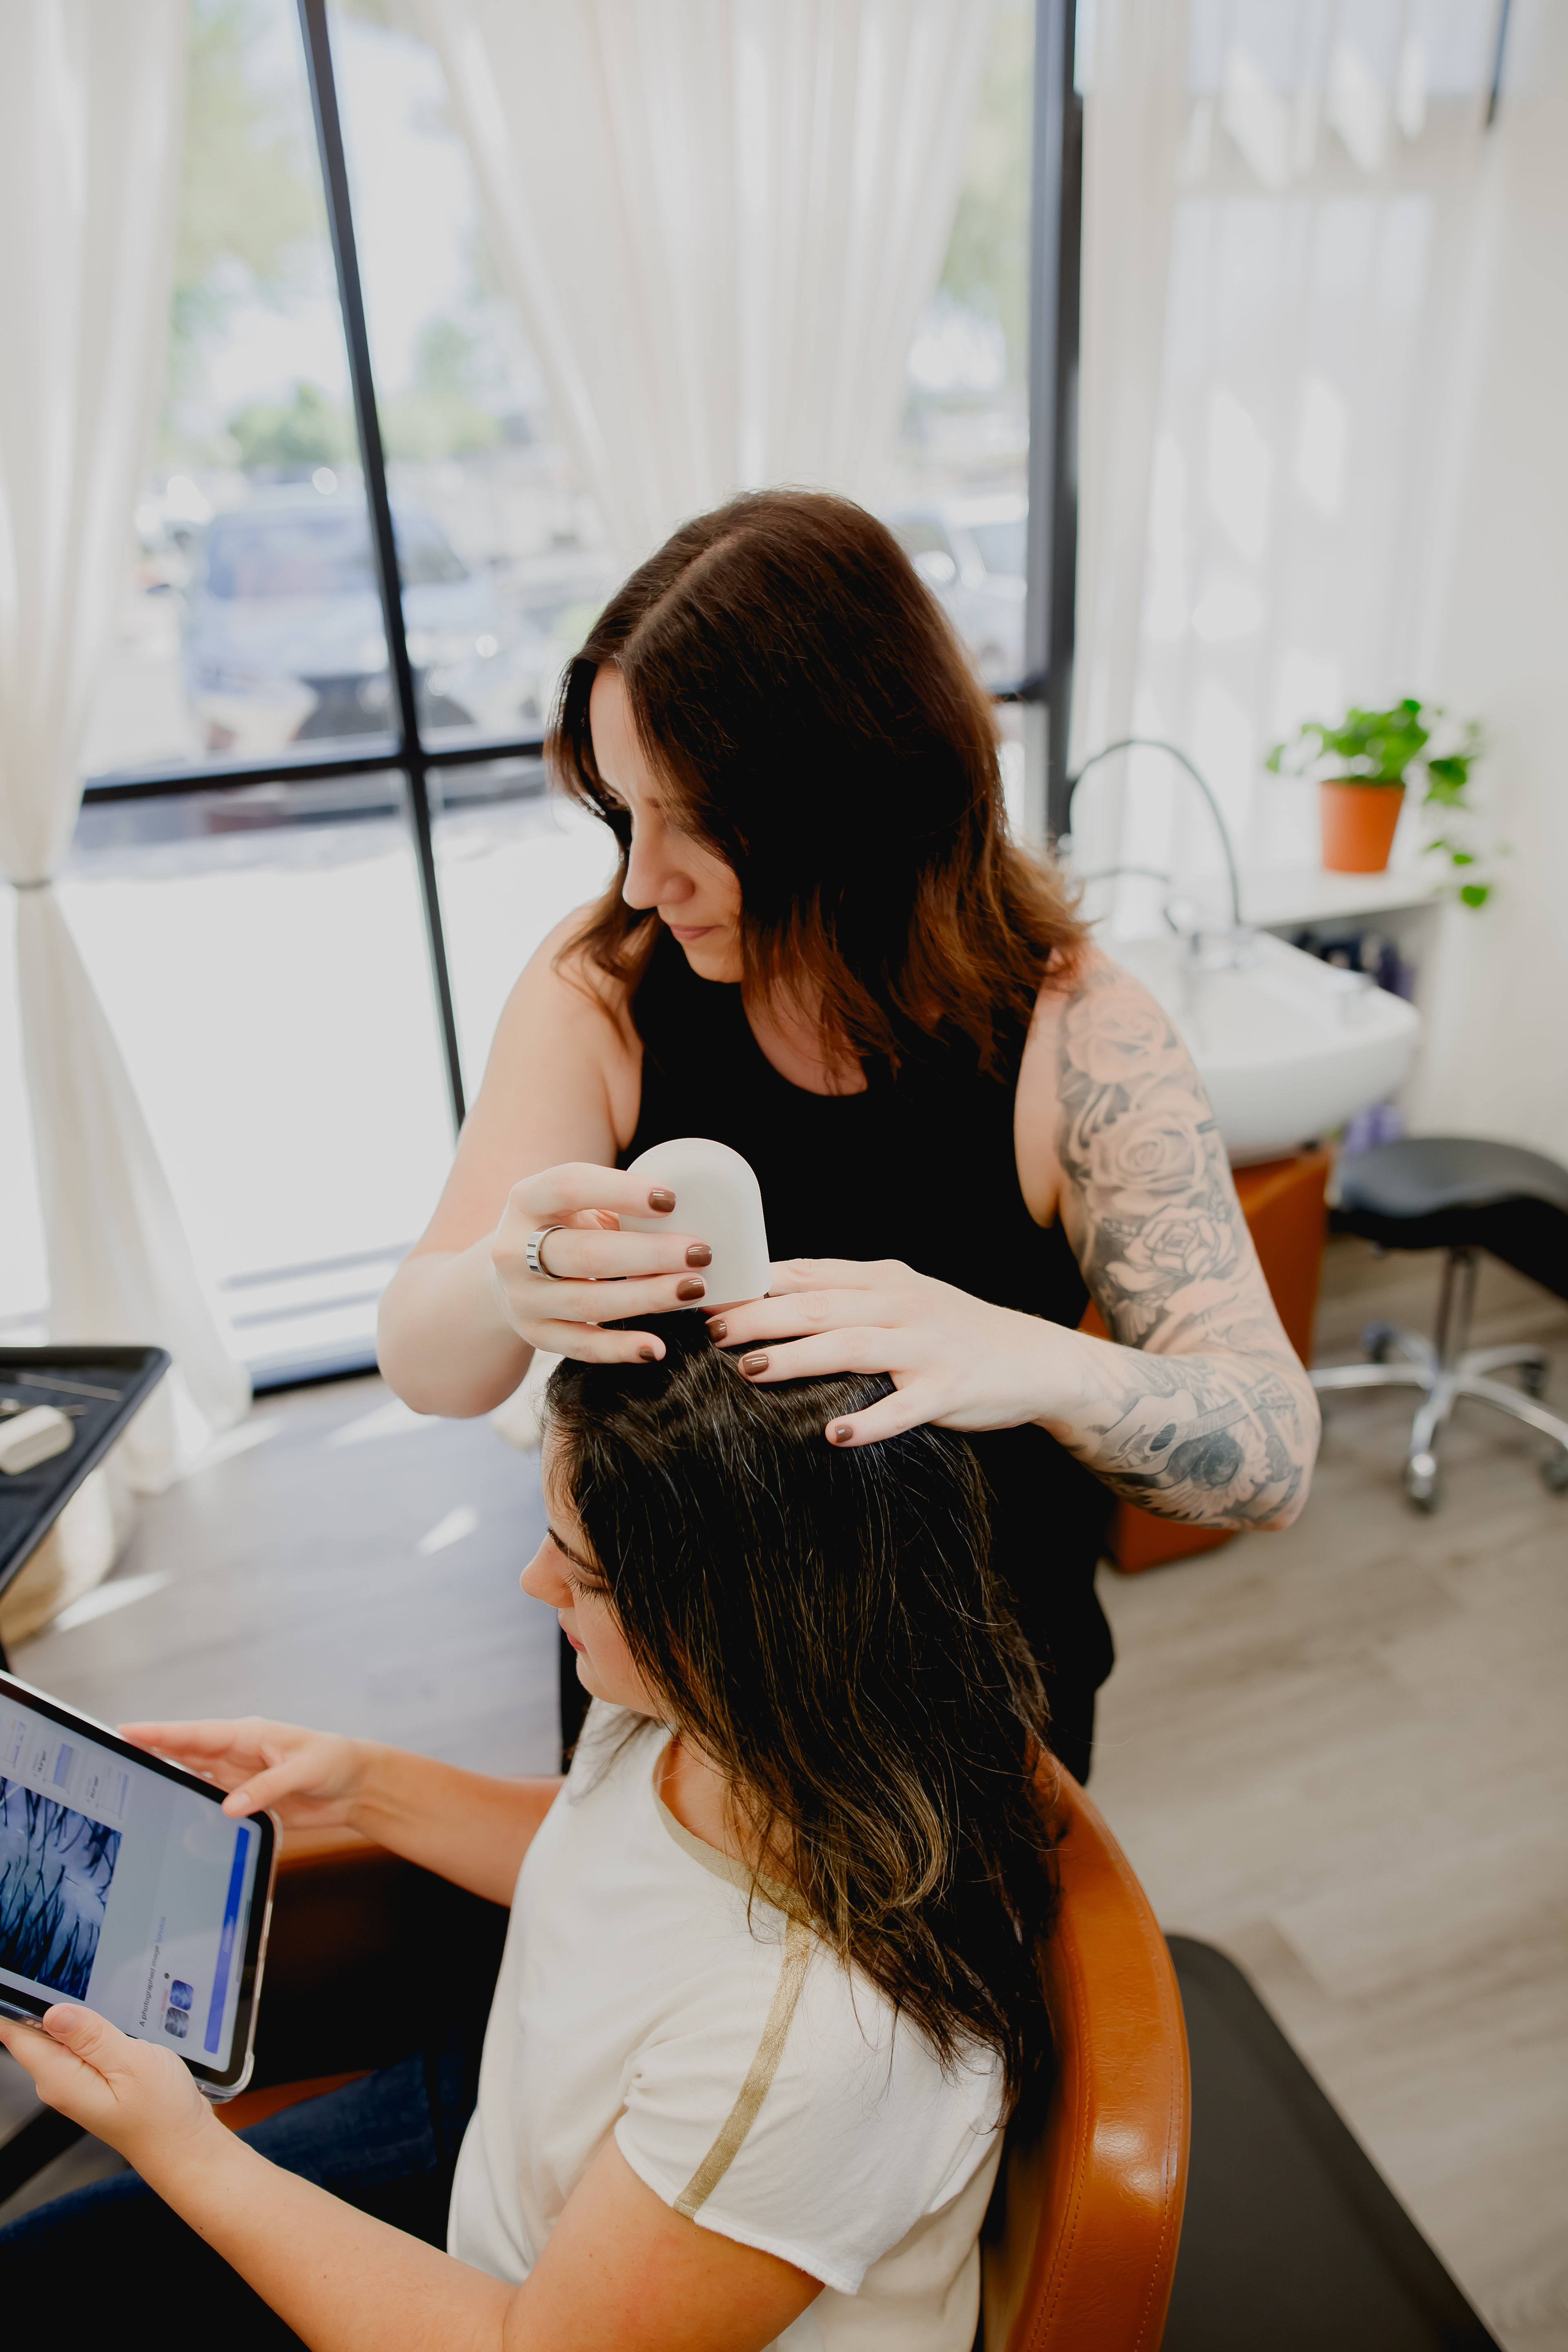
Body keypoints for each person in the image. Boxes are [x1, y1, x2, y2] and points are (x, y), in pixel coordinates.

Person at [378, 490, 1320, 1780]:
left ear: (857, 796)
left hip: (959, 1738)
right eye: (622, 814)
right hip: (668, 1712)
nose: (646, 879)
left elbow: (1269, 1454)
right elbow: (431, 1366)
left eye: (694, 819)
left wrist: (1015, 1354)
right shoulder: (604, 988)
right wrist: (509, 1278)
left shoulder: (1080, 1037)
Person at [0, 1327, 1058, 2352]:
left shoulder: (809, 2054)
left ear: (744, 1618)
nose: (535, 1584)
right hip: (514, 2130)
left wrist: (185, 2150)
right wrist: (368, 1787)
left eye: (584, 1575)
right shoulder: (753, 1713)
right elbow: (627, 1867)